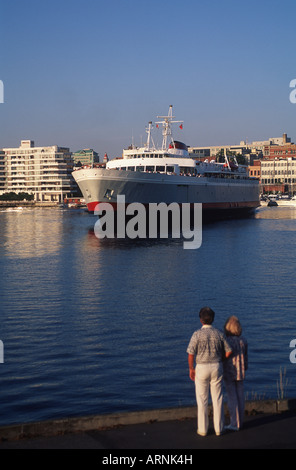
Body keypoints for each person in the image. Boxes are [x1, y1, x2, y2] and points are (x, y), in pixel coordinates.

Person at [187, 307, 232, 436]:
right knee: (217, 398)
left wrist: (191, 368)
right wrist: (221, 359)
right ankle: (219, 428)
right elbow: (228, 351)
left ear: (201, 320)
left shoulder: (196, 334)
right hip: (216, 366)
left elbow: (190, 353)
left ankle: (203, 429)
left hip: (201, 367)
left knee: (202, 400)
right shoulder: (219, 333)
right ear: (212, 319)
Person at [223, 316, 248, 431]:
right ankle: (240, 421)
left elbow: (225, 355)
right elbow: (246, 356)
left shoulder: (227, 341)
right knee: (240, 396)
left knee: (232, 397)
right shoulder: (243, 340)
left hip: (230, 371)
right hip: (241, 371)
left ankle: (234, 423)